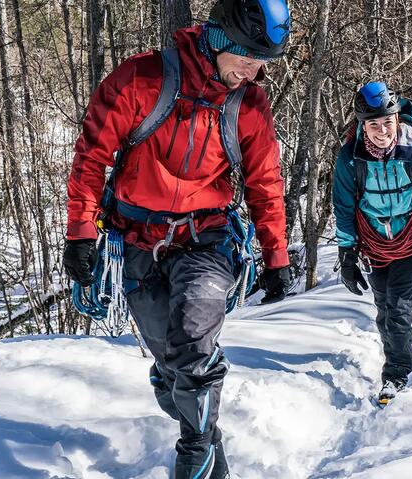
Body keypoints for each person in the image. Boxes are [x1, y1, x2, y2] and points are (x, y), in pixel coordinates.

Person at [60, 0, 292, 476]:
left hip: (208, 238)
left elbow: (265, 182)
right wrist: (81, 232)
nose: (254, 68)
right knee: (173, 370)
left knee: (193, 345)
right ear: (221, 37)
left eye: (263, 59)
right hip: (137, 241)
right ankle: (208, 442)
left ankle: (194, 459)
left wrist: (276, 256)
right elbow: (91, 158)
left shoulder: (249, 105)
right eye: (247, 53)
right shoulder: (140, 80)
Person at [329, 81, 412, 406]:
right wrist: (346, 254)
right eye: (373, 124)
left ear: (397, 119)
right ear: (362, 124)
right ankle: (396, 359)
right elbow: (343, 207)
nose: (382, 130)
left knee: (397, 308)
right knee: (384, 306)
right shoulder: (349, 160)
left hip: (411, 240)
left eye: (388, 122)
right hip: (373, 246)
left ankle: (397, 373)